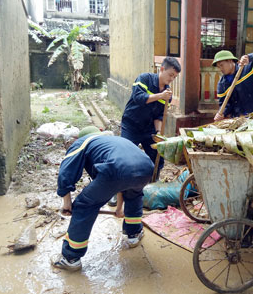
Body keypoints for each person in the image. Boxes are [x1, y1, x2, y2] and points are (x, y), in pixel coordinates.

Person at [51, 126, 154, 271]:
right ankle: (134, 234)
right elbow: (122, 180)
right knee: (134, 194)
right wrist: (119, 209)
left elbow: (66, 172)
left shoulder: (82, 142)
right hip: (146, 168)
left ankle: (70, 258)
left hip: (116, 170)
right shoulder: (114, 140)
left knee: (84, 205)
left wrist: (67, 203)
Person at [120, 56, 181, 179]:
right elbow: (139, 98)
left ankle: (153, 184)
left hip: (149, 129)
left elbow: (158, 115)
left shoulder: (167, 93)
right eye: (170, 75)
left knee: (158, 158)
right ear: (162, 69)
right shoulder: (144, 78)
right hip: (131, 125)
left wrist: (158, 132)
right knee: (124, 157)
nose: (172, 79)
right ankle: (119, 190)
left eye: (174, 77)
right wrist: (160, 96)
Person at [213, 49, 253, 121]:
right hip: (238, 119)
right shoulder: (222, 84)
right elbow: (225, 104)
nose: (220, 69)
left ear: (230, 61)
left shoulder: (249, 69)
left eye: (221, 65)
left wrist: (250, 57)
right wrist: (222, 113)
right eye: (218, 67)